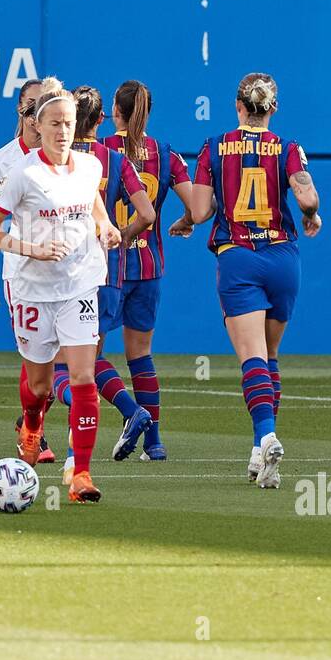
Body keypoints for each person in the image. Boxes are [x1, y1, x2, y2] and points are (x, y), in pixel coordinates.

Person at [170, 73, 320, 489]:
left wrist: (186, 219)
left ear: (238, 105)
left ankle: (267, 435)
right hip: (283, 257)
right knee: (270, 355)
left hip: (238, 257)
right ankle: (259, 451)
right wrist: (310, 215)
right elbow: (307, 197)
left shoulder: (213, 146)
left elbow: (200, 213)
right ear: (272, 108)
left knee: (252, 356)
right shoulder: (287, 148)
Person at [0, 77, 121, 503]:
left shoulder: (91, 165)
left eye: (69, 123)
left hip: (78, 286)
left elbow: (95, 208)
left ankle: (81, 474)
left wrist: (107, 227)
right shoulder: (21, 173)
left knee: (83, 378)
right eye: (55, 123)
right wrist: (31, 250)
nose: (63, 130)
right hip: (32, 290)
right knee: (38, 386)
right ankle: (33, 426)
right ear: (39, 126)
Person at [49, 85, 155, 482]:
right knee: (86, 362)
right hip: (110, 271)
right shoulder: (115, 159)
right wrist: (120, 237)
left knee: (67, 368)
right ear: (100, 121)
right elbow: (146, 214)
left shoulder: (62, 160)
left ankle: (117, 422)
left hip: (69, 273)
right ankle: (81, 450)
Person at [103, 79, 194, 462]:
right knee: (140, 355)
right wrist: (185, 220)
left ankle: (124, 415)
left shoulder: (101, 151)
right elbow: (198, 206)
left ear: (114, 111)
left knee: (84, 356)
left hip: (108, 267)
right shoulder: (164, 152)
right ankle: (154, 443)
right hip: (148, 265)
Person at [0, 78, 58, 464]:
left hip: (61, 275)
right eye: (31, 104)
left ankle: (31, 423)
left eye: (44, 104)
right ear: (21, 109)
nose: (36, 111)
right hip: (21, 272)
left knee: (55, 370)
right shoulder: (3, 161)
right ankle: (35, 434)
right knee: (36, 361)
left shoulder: (63, 156)